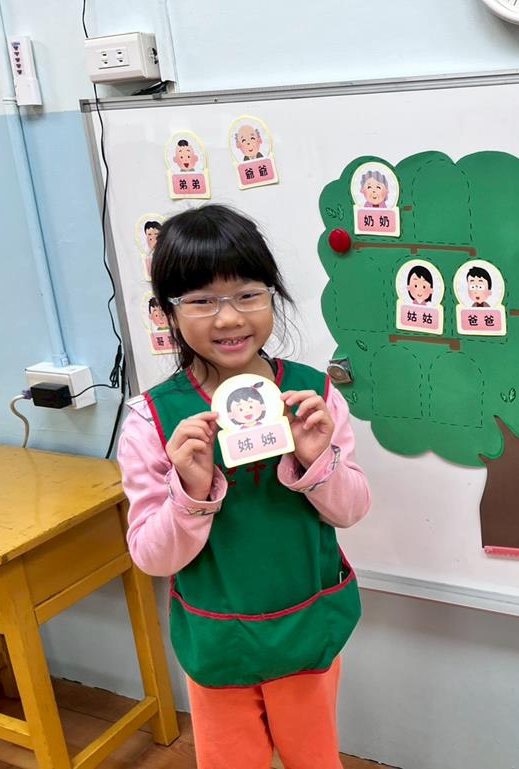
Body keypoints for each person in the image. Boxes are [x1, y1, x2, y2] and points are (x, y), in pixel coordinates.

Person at [117, 204, 369, 769]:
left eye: (247, 295)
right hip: (218, 642)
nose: (229, 318)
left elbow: (352, 510)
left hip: (307, 627)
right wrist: (190, 491)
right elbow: (152, 557)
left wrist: (316, 461)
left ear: (272, 296)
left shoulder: (314, 397)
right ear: (168, 311)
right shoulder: (152, 421)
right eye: (201, 301)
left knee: (315, 760)